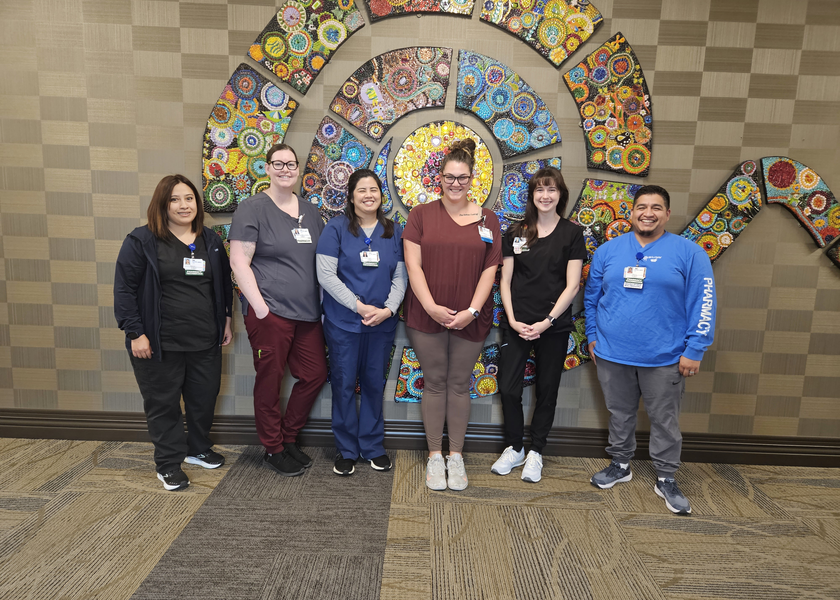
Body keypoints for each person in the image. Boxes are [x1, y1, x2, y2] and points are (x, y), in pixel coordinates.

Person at [584, 184, 716, 515]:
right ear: (631, 212)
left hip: (665, 356)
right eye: (642, 207)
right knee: (619, 413)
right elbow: (591, 298)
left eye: (656, 207)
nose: (648, 213)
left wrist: (695, 349)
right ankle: (620, 464)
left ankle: (666, 477)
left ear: (667, 214)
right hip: (612, 353)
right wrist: (592, 335)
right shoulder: (608, 252)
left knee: (664, 420)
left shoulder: (689, 253)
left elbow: (704, 303)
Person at [114, 174, 233, 491]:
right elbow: (124, 291)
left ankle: (198, 448)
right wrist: (135, 332)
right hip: (157, 342)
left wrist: (226, 319)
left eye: (189, 198)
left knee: (203, 399)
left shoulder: (211, 240)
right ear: (162, 205)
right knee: (163, 404)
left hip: (204, 339)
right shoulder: (141, 241)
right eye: (175, 199)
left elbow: (223, 284)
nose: (184, 205)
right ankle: (168, 465)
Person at [403, 139, 502, 491]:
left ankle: (455, 457)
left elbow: (490, 270)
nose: (455, 184)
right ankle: (435, 456)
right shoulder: (420, 215)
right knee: (434, 382)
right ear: (439, 178)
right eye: (449, 177)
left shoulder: (489, 219)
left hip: (471, 316)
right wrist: (431, 306)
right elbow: (413, 266)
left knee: (460, 384)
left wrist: (472, 311)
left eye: (462, 178)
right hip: (425, 313)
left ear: (472, 178)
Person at [228, 143, 327, 478]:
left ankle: (287, 437)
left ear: (299, 169)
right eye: (278, 163)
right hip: (270, 313)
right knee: (269, 381)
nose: (286, 169)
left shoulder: (310, 212)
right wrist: (261, 310)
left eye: (291, 164)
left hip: (308, 314)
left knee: (315, 374)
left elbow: (321, 262)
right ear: (267, 168)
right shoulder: (252, 208)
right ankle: (273, 448)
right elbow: (239, 262)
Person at [491, 167, 585, 483]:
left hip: (553, 326)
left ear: (560, 195)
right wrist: (513, 319)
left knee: (547, 390)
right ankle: (515, 447)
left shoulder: (572, 234)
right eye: (540, 190)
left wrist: (546, 322)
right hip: (516, 323)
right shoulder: (516, 233)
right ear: (532, 195)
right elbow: (505, 280)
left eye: (552, 189)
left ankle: (536, 452)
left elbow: (572, 286)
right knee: (508, 388)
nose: (545, 195)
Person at [316, 169, 407, 476]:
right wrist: (358, 306)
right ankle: (346, 449)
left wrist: (389, 309)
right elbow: (325, 275)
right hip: (344, 323)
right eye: (362, 190)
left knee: (373, 384)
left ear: (381, 195)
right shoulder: (336, 228)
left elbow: (401, 276)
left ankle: (372, 446)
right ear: (351, 197)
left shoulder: (393, 230)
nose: (369, 195)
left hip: (381, 323)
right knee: (343, 384)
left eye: (374, 190)